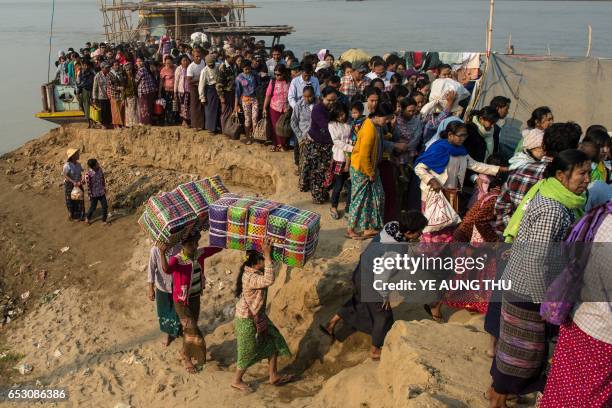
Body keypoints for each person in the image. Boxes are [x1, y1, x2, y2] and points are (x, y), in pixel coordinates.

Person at [489, 149, 591, 408]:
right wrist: (544, 300)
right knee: (518, 357)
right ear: (561, 175)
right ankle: (497, 400)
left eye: (588, 173)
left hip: (525, 288)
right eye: (582, 173)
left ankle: (503, 395)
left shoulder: (554, 197)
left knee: (517, 352)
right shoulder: (553, 209)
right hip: (528, 291)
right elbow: (535, 259)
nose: (587, 179)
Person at [321, 211, 428, 360]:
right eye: (419, 232)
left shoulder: (392, 226)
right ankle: (375, 350)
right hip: (372, 281)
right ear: (409, 232)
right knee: (383, 315)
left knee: (358, 300)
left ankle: (331, 323)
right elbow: (382, 276)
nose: (421, 235)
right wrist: (384, 295)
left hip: (360, 271)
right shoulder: (395, 251)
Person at [539, 204, 612, 408]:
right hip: (603, 336)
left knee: (562, 389)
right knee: (588, 398)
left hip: (579, 318)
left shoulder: (602, 215)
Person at [414, 121, 505, 243]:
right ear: (450, 135)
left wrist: (499, 169)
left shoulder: (462, 151)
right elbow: (419, 168)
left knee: (448, 226)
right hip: (434, 194)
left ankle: (441, 254)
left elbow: (475, 165)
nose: (463, 138)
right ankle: (426, 252)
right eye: (460, 135)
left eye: (465, 135)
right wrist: (431, 180)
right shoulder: (438, 148)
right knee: (432, 226)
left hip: (452, 195)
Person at [494, 122, 581, 234]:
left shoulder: (520, 170)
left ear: (544, 145)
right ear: (574, 151)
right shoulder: (570, 182)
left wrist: (513, 232)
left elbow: (501, 207)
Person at [231, 240, 292, 392]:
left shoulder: (254, 271)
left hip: (257, 316)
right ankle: (236, 380)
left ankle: (273, 375)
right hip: (246, 319)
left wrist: (267, 252)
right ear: (258, 262)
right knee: (247, 351)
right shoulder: (251, 278)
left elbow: (270, 270)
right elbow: (269, 280)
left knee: (272, 341)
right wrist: (266, 253)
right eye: (264, 259)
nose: (268, 261)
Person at [158, 231, 223, 373]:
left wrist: (226, 236)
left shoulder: (199, 254)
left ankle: (184, 351)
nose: (194, 247)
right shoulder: (177, 259)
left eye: (195, 244)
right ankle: (187, 358)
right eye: (190, 245)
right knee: (192, 330)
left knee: (189, 329)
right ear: (183, 246)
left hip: (194, 298)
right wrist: (162, 253)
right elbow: (167, 270)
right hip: (181, 302)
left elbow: (217, 248)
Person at [346, 103, 396, 240]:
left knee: (375, 197)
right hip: (362, 170)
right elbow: (363, 156)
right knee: (359, 200)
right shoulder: (369, 129)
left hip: (370, 169)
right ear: (378, 116)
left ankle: (369, 227)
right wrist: (370, 173)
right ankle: (351, 229)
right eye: (386, 119)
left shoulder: (375, 126)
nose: (386, 122)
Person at [303, 87, 338, 204]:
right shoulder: (318, 109)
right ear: (323, 98)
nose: (332, 103)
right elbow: (327, 127)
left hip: (328, 145)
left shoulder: (334, 109)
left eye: (334, 100)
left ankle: (322, 193)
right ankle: (317, 196)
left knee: (325, 171)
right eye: (329, 100)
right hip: (316, 145)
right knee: (317, 171)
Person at [147, 243, 182, 348]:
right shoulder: (155, 250)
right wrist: (150, 288)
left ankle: (177, 332)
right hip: (162, 287)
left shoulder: (178, 247)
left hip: (177, 286)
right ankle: (168, 335)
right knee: (165, 313)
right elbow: (151, 270)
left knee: (177, 312)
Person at [326, 102, 353, 220]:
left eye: (343, 114)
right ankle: (333, 207)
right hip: (340, 158)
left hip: (352, 158)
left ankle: (348, 209)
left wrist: (352, 148)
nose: (341, 117)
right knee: (338, 185)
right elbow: (336, 141)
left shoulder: (349, 123)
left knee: (351, 185)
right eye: (339, 115)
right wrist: (352, 148)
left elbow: (352, 137)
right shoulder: (332, 125)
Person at [291, 85, 316, 184]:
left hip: (315, 137)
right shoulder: (298, 105)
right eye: (305, 96)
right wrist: (300, 137)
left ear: (313, 95)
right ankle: (302, 181)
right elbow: (293, 122)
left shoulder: (318, 105)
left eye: (309, 96)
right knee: (303, 160)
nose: (307, 99)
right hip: (303, 137)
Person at [263, 65, 291, 151]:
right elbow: (268, 95)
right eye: (275, 74)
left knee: (284, 127)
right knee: (274, 127)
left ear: (284, 74)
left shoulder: (290, 82)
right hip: (274, 107)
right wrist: (264, 108)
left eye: (279, 74)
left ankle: (283, 144)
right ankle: (275, 144)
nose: (277, 76)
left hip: (286, 108)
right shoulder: (273, 82)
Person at [235, 59, 261, 144]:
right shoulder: (239, 78)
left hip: (254, 99)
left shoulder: (255, 74)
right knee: (247, 119)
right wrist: (236, 105)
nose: (247, 70)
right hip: (245, 100)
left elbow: (259, 85)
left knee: (255, 117)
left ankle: (254, 136)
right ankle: (247, 137)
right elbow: (237, 92)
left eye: (249, 69)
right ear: (242, 68)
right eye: (245, 69)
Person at [217, 50, 238, 133]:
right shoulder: (222, 67)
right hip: (225, 92)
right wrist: (221, 96)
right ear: (227, 57)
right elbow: (219, 84)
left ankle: (229, 129)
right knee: (225, 112)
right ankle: (224, 130)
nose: (234, 58)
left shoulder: (234, 65)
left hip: (232, 92)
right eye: (232, 57)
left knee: (231, 111)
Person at [198, 54, 221, 133]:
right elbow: (201, 85)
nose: (211, 66)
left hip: (218, 88)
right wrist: (202, 97)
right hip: (210, 90)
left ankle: (217, 126)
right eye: (209, 65)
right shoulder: (204, 71)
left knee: (218, 109)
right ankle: (210, 129)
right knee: (210, 110)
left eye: (212, 64)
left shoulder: (218, 66)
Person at [84, 159, 110, 225]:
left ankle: (104, 220)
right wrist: (90, 195)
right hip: (94, 194)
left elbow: (102, 178)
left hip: (101, 192)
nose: (98, 164)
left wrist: (104, 187)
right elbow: (88, 186)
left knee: (105, 206)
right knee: (93, 207)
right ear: (93, 166)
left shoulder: (100, 169)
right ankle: (87, 218)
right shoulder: (88, 174)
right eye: (97, 164)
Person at [63, 148, 85, 222]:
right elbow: (65, 175)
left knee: (80, 199)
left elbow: (81, 173)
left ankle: (81, 216)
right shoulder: (67, 165)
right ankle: (72, 216)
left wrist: (82, 179)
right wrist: (73, 182)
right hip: (70, 184)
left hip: (78, 183)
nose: (78, 155)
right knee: (71, 200)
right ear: (72, 156)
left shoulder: (78, 164)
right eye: (76, 154)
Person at [186, 49, 206, 130]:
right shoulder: (191, 67)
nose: (199, 58)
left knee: (202, 105)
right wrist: (200, 79)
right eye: (197, 56)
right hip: (194, 87)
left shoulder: (203, 62)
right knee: (194, 106)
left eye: (199, 56)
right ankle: (195, 125)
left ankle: (201, 124)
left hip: (202, 86)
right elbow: (189, 81)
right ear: (193, 57)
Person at [135, 57, 157, 125]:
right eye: (138, 61)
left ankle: (144, 122)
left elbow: (136, 81)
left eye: (140, 61)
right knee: (149, 107)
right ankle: (149, 122)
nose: (138, 63)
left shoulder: (141, 70)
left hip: (144, 91)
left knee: (144, 107)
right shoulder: (147, 69)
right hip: (150, 91)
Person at [92, 62, 112, 129]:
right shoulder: (98, 75)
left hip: (109, 95)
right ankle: (103, 124)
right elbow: (95, 87)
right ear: (102, 68)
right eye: (106, 68)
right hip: (101, 96)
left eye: (108, 67)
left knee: (108, 110)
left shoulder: (109, 75)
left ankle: (108, 123)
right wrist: (94, 97)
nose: (108, 69)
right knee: (103, 110)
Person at [159, 55, 177, 126]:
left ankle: (174, 120)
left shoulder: (176, 68)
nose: (168, 65)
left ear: (172, 62)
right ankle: (167, 121)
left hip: (174, 90)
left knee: (174, 105)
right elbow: (161, 82)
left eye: (169, 63)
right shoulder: (163, 70)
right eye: (167, 63)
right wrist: (159, 92)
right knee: (167, 106)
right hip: (166, 91)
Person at [77, 59, 95, 128]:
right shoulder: (82, 72)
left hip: (89, 90)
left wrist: (81, 85)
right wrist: (78, 92)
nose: (84, 66)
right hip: (83, 90)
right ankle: (89, 120)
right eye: (83, 65)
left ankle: (90, 122)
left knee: (88, 107)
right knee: (81, 105)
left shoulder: (91, 72)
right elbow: (79, 82)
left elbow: (90, 83)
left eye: (85, 65)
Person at [174, 55, 191, 127]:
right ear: (180, 61)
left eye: (187, 60)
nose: (185, 62)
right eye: (184, 60)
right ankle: (184, 121)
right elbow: (176, 81)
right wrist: (175, 92)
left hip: (189, 90)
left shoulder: (190, 68)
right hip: (181, 91)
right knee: (183, 106)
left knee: (188, 106)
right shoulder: (179, 69)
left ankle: (187, 120)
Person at [108, 60, 125, 129]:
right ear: (112, 66)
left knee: (121, 109)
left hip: (121, 94)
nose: (117, 66)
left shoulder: (120, 73)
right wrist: (118, 88)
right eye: (115, 65)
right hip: (114, 94)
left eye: (117, 65)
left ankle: (121, 124)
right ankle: (116, 124)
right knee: (115, 110)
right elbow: (110, 85)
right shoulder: (110, 74)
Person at [123, 62, 139, 128]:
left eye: (130, 70)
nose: (129, 71)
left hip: (134, 96)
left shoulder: (135, 77)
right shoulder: (125, 79)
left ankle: (134, 124)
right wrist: (123, 99)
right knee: (129, 111)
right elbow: (123, 89)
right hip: (128, 97)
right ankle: (129, 124)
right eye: (127, 70)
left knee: (135, 110)